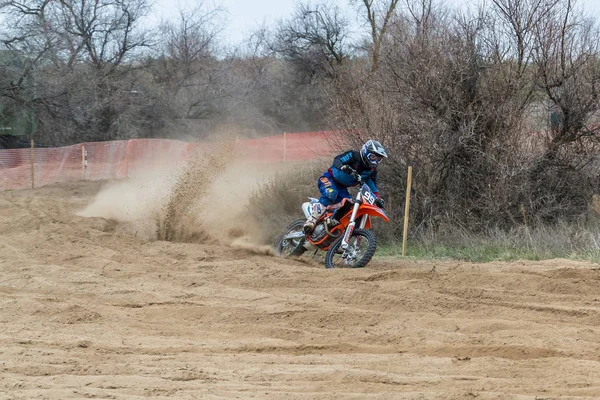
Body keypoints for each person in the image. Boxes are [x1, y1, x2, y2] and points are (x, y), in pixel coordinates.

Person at [303, 139, 387, 234]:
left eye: (378, 159)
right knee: (331, 193)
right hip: (328, 179)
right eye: (373, 157)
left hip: (342, 187)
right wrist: (343, 167)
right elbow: (337, 160)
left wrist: (377, 199)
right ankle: (311, 220)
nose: (375, 161)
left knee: (348, 206)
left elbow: (372, 187)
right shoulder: (354, 155)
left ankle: (331, 225)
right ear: (365, 152)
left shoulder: (371, 171)